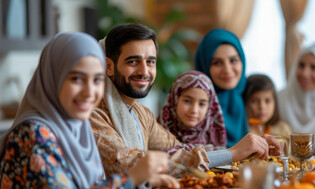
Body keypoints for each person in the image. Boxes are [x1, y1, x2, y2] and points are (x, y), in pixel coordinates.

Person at [0, 32, 177, 189]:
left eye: (97, 80)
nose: (89, 92)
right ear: (53, 77)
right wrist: (130, 179)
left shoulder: (78, 128)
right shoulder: (33, 133)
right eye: (77, 78)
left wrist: (142, 182)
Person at [89, 23, 280, 177]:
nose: (144, 71)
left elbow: (179, 149)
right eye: (133, 61)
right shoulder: (93, 115)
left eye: (150, 62)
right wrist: (233, 153)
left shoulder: (141, 114)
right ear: (109, 67)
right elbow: (132, 164)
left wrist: (249, 148)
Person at [195, 29, 248, 148]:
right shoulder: (194, 105)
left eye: (233, 60)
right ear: (204, 65)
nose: (227, 70)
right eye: (217, 63)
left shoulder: (245, 97)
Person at [158, 70, 227, 151]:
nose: (194, 110)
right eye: (187, 101)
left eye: (202, 104)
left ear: (209, 107)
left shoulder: (215, 143)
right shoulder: (156, 135)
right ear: (174, 100)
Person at [243, 74, 292, 140]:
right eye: (255, 101)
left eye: (267, 100)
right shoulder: (243, 131)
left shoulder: (283, 129)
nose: (262, 107)